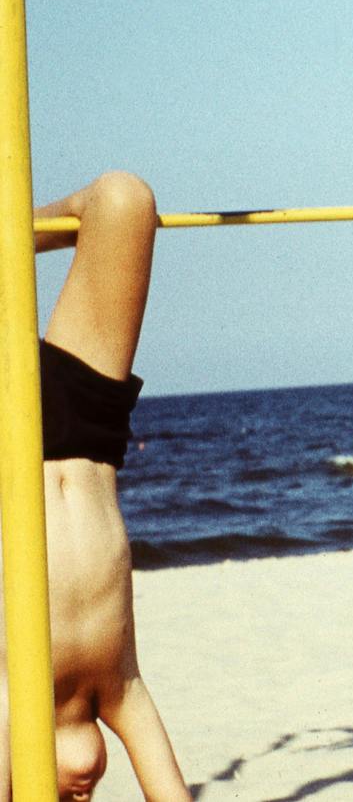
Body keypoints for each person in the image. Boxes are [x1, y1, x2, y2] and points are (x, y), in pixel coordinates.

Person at [0, 172, 189, 799]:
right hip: (90, 430)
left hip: (7, 448)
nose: (84, 793)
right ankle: (11, 235)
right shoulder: (122, 689)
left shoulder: (15, 696)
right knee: (125, 199)